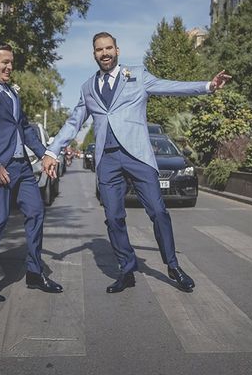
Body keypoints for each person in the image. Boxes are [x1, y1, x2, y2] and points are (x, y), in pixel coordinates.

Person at [43, 32, 231, 293]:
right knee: (113, 217)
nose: (105, 53)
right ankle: (127, 269)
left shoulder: (137, 75)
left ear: (117, 50)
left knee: (157, 211)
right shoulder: (88, 87)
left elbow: (170, 86)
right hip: (107, 160)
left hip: (138, 156)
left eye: (109, 48)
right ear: (94, 54)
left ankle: (173, 266)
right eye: (99, 49)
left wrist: (208, 86)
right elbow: (74, 122)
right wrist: (52, 151)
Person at [0, 43, 63, 303]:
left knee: (36, 212)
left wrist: (46, 154)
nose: (9, 67)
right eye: (4, 62)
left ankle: (35, 273)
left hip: (23, 167)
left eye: (11, 62)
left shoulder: (12, 93)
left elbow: (25, 128)